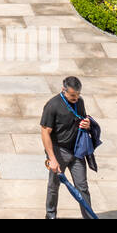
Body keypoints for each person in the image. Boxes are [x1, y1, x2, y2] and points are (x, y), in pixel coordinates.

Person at [41, 76, 96, 219]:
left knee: (82, 187)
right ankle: (51, 215)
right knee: (54, 186)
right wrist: (52, 159)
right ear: (63, 90)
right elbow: (45, 132)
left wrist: (87, 124)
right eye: (72, 95)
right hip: (59, 151)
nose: (76, 98)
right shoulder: (52, 105)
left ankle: (88, 217)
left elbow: (83, 118)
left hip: (77, 151)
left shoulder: (80, 102)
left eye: (78, 95)